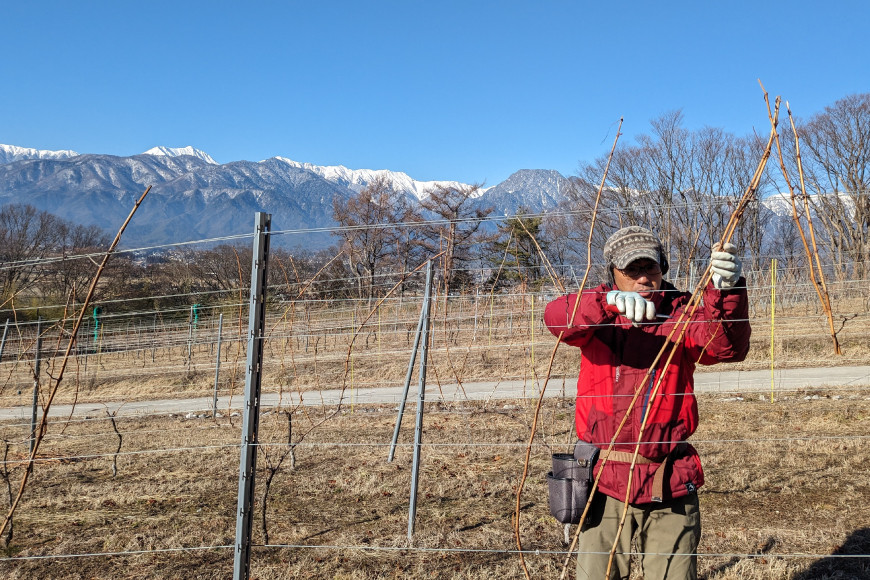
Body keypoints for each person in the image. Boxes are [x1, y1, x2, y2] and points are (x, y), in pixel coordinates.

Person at [544, 226, 750, 580]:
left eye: (650, 269)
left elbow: (725, 347)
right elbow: (555, 317)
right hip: (603, 478)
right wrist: (605, 304)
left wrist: (727, 291)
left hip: (669, 477)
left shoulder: (683, 312)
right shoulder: (596, 311)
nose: (642, 278)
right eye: (631, 271)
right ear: (612, 274)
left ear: (663, 268)